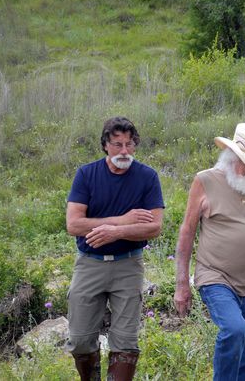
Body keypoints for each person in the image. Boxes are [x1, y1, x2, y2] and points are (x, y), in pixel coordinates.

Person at [174, 123, 245, 381]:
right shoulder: (206, 181)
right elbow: (187, 231)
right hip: (215, 276)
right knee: (235, 330)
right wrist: (182, 283)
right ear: (234, 155)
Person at [65, 116, 165, 381]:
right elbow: (74, 224)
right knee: (80, 339)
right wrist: (122, 220)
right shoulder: (87, 174)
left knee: (125, 342)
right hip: (89, 263)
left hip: (128, 264)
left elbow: (154, 227)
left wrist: (117, 233)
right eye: (118, 144)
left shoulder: (147, 177)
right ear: (105, 145)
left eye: (129, 144)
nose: (124, 151)